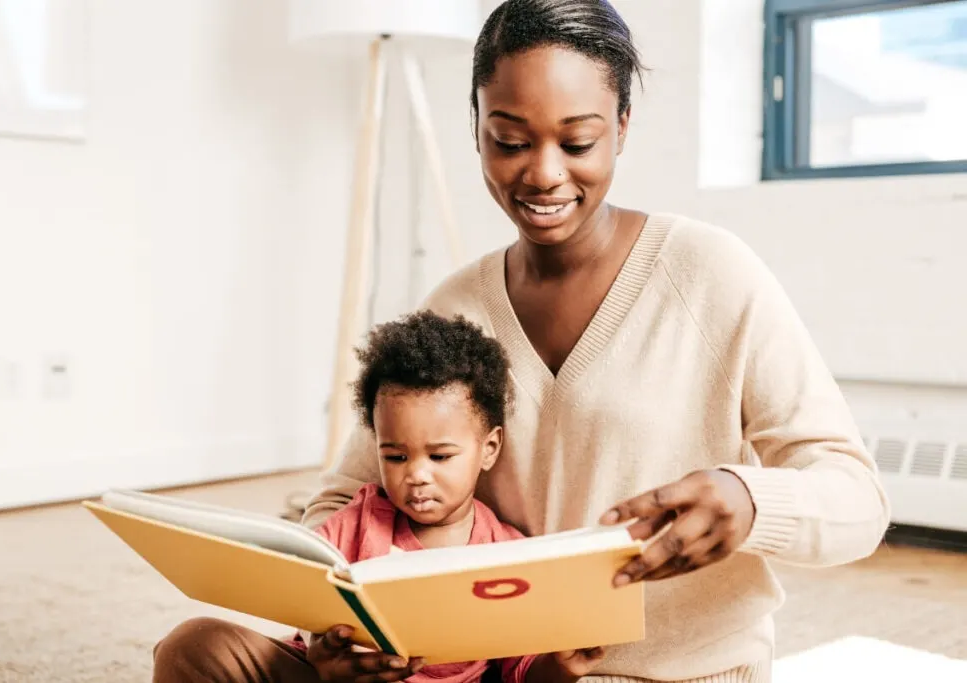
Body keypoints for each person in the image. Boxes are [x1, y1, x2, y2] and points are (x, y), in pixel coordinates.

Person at [155, 0, 891, 681]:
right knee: (194, 653)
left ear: (623, 125)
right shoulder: (456, 307)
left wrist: (749, 499)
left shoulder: (711, 274)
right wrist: (337, 627)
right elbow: (344, 495)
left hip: (665, 672)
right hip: (461, 669)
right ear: (476, 127)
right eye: (509, 140)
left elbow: (858, 497)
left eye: (578, 141)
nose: (542, 173)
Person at [152, 310, 606, 683]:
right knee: (194, 644)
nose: (416, 476)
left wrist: (563, 665)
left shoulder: (504, 551)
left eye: (441, 456)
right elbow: (308, 617)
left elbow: (521, 673)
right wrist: (323, 652)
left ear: (488, 449)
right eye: (395, 456)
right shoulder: (357, 519)